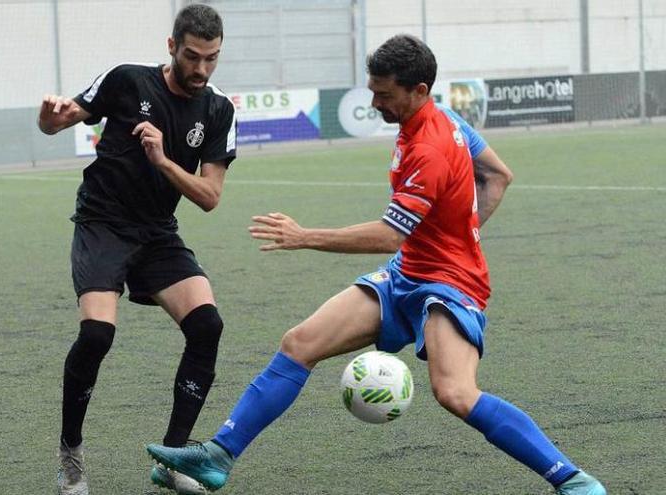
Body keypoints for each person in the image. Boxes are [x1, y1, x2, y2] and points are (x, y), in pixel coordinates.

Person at [146, 34, 606, 495]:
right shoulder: (448, 121)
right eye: (372, 89)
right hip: (406, 273)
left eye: (384, 94)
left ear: (418, 91)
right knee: (299, 343)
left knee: (455, 393)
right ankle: (218, 457)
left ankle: (572, 480)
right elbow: (498, 176)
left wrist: (305, 237)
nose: (374, 102)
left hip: (448, 285)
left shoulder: (430, 148)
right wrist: (463, 231)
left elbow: (390, 233)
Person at [37, 5, 236, 495]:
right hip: (103, 223)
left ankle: (172, 458)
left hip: (156, 232)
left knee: (207, 325)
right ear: (172, 47)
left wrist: (162, 160)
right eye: (193, 57)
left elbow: (210, 197)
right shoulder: (127, 80)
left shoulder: (217, 111)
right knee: (98, 335)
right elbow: (61, 122)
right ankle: (71, 455)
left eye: (212, 59)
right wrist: (49, 120)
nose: (202, 70)